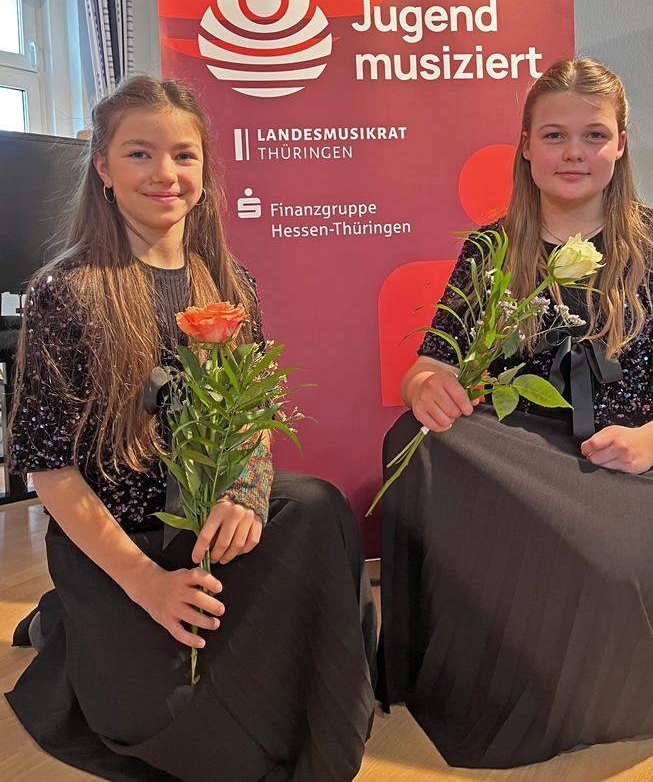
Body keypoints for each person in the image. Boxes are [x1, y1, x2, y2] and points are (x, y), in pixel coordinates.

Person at [5, 76, 376, 782]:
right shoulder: (65, 292)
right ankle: (70, 621)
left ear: (205, 173)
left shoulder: (231, 283)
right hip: (121, 541)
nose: (165, 174)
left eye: (184, 155)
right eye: (140, 154)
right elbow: (49, 470)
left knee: (317, 506)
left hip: (205, 525)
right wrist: (147, 585)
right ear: (104, 168)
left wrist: (244, 487)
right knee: (190, 737)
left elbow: (255, 418)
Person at [378, 58, 653, 768]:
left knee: (598, 560)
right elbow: (434, 357)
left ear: (620, 144)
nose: (573, 153)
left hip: (634, 461)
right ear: (526, 146)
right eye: (555, 135)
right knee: (413, 436)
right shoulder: (492, 248)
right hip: (515, 454)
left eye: (593, 135)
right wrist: (424, 386)